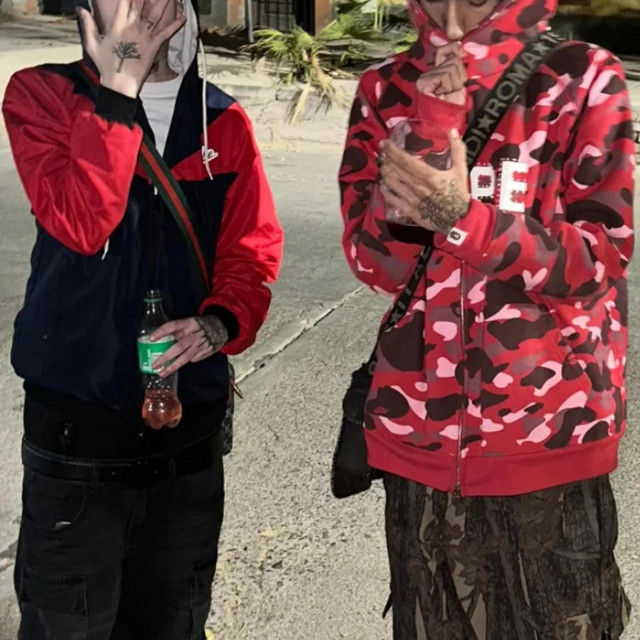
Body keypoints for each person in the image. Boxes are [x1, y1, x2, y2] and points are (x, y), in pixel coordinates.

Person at [339, 0, 634, 638]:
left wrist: (466, 219)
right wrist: (427, 127)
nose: (451, 20)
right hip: (419, 440)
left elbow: (599, 259)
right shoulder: (385, 89)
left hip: (550, 439)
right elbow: (376, 265)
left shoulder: (581, 76)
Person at [2, 0, 283, 635]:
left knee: (173, 622)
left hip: (186, 440)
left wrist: (219, 323)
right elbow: (83, 224)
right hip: (77, 437)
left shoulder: (221, 120)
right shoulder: (42, 96)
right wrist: (117, 91)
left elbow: (252, 250)